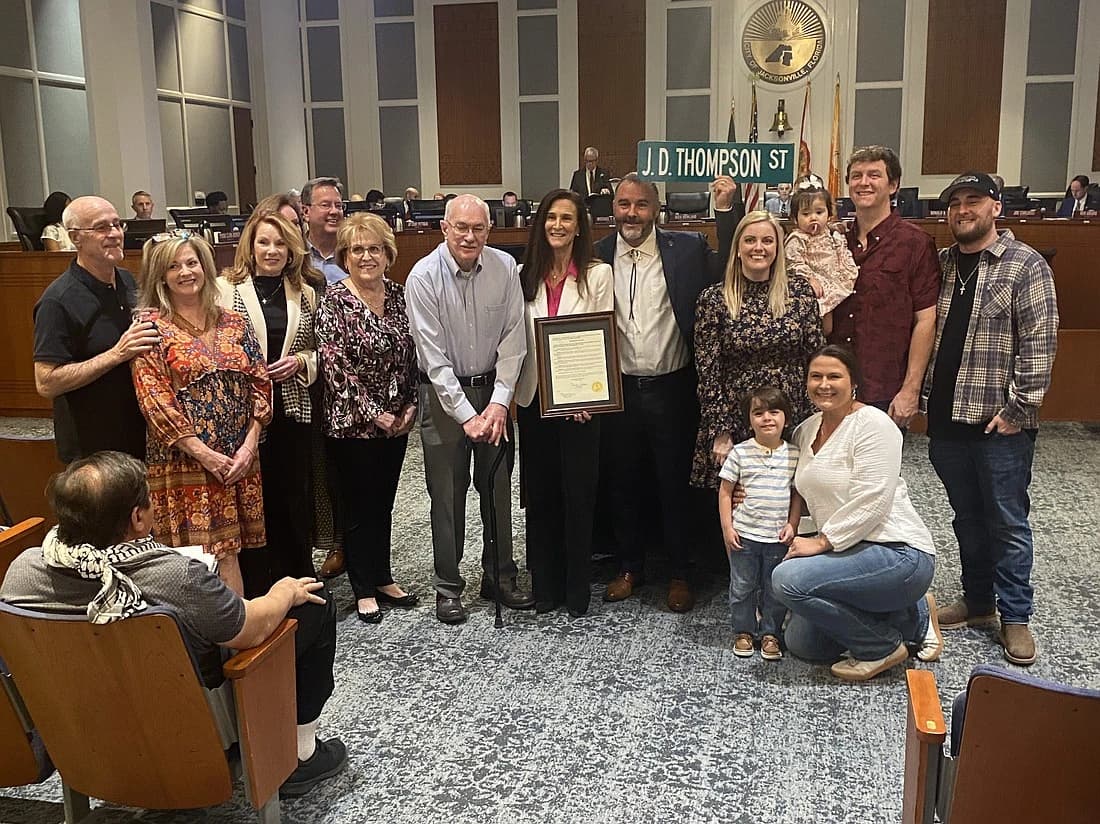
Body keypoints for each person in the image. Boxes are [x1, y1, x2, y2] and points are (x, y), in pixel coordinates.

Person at [0, 450, 347, 798]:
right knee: (314, 606)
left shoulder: (23, 572)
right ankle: (300, 756)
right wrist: (283, 592)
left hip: (82, 735)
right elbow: (252, 629)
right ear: (138, 518)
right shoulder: (177, 577)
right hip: (190, 730)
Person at [921, 172, 1059, 667]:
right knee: (966, 518)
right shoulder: (941, 265)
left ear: (995, 207)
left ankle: (1015, 616)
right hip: (946, 420)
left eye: (973, 200)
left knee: (1007, 521)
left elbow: (1040, 341)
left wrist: (1019, 409)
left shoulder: (1025, 264)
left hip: (999, 424)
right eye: (955, 203)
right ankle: (979, 600)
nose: (963, 210)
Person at [596, 174, 742, 612]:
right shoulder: (597, 254)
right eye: (624, 204)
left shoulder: (687, 249)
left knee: (676, 483)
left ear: (656, 209)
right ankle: (629, 567)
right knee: (623, 481)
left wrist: (725, 211)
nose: (632, 214)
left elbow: (729, 264)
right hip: (618, 391)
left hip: (674, 387)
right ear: (613, 208)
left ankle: (680, 572)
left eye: (641, 205)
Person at [772, 345, 941, 682]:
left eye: (834, 376)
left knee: (786, 580)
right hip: (848, 551)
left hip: (896, 550)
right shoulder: (806, 430)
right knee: (803, 643)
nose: (824, 384)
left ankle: (881, 646)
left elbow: (873, 500)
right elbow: (798, 486)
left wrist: (821, 542)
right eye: (816, 376)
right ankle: (914, 615)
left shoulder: (875, 425)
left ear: (853, 383)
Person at [405, 194, 531, 624]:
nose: (469, 236)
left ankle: (500, 576)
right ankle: (448, 586)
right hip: (442, 398)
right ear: (444, 228)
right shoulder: (422, 277)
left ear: (489, 230)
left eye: (478, 228)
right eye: (461, 227)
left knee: (497, 488)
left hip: (493, 394)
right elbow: (433, 358)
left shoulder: (505, 268)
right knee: (446, 493)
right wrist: (466, 415)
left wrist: (498, 403)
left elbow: (514, 339)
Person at [131, 233, 272, 596]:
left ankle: (238, 628)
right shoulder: (150, 329)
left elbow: (260, 382)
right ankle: (213, 630)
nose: (185, 272)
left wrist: (249, 446)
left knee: (231, 553)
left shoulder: (233, 322)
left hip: (239, 458)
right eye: (173, 266)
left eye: (191, 263)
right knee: (202, 559)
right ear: (161, 276)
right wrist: (205, 455)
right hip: (185, 462)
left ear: (205, 267)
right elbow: (154, 401)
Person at [316, 213, 419, 624]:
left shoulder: (399, 295)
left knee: (383, 503)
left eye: (374, 248)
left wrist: (410, 404)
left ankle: (382, 577)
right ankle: (362, 588)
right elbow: (335, 366)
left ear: (387, 254)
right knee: (358, 507)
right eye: (357, 249)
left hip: (396, 423)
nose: (366, 257)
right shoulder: (334, 301)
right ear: (345, 256)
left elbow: (413, 354)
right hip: (352, 424)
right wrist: (374, 413)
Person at [515, 189, 614, 617]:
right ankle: (545, 586)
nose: (557, 225)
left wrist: (587, 394)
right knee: (540, 495)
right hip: (533, 398)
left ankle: (576, 590)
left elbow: (604, 335)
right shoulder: (523, 275)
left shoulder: (598, 275)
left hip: (580, 403)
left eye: (566, 218)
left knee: (578, 493)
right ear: (541, 224)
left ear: (579, 227)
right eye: (551, 217)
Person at [218, 211, 320, 596]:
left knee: (292, 496)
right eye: (264, 242)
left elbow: (319, 349)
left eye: (280, 243)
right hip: (242, 413)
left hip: (292, 407)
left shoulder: (304, 292)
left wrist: (301, 362)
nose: (272, 250)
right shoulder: (224, 289)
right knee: (252, 498)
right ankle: (259, 586)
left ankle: (298, 579)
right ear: (250, 245)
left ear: (292, 249)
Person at [692, 209, 822, 492]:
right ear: (738, 248)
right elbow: (708, 372)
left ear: (778, 248)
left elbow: (816, 360)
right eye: (750, 240)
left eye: (767, 240)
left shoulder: (800, 293)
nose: (759, 247)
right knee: (740, 504)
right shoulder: (714, 299)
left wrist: (817, 424)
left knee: (791, 502)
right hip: (736, 420)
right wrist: (721, 430)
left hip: (792, 417)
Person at [33, 196, 155, 463]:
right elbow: (46, 382)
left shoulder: (126, 280)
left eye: (117, 224)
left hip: (137, 433)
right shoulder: (57, 301)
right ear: (75, 238)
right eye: (101, 227)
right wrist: (116, 354)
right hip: (92, 448)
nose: (115, 234)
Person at [830, 145, 940, 426]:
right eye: (857, 176)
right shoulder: (833, 242)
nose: (863, 182)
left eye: (874, 175)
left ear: (893, 185)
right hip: (832, 386)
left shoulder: (915, 243)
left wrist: (911, 389)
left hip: (884, 388)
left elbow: (926, 320)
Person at [718, 387, 801, 661]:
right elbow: (725, 492)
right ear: (749, 420)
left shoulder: (794, 454)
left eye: (774, 411)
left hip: (778, 538)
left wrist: (793, 524)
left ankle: (770, 633)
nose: (767, 418)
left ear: (786, 418)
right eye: (758, 413)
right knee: (742, 586)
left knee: (774, 589)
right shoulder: (740, 453)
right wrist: (728, 528)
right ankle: (743, 631)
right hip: (745, 535)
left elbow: (796, 495)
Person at [784, 181, 859, 335]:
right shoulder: (798, 238)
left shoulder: (832, 234)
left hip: (836, 276)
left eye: (819, 212)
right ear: (795, 218)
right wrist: (809, 278)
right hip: (817, 283)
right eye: (806, 214)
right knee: (826, 322)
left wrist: (847, 267)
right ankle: (821, 338)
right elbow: (793, 262)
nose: (813, 218)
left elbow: (842, 251)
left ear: (829, 215)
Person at [302, 177, 347, 285]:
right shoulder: (295, 254)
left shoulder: (353, 253)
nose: (334, 211)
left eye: (338, 206)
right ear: (306, 212)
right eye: (325, 205)